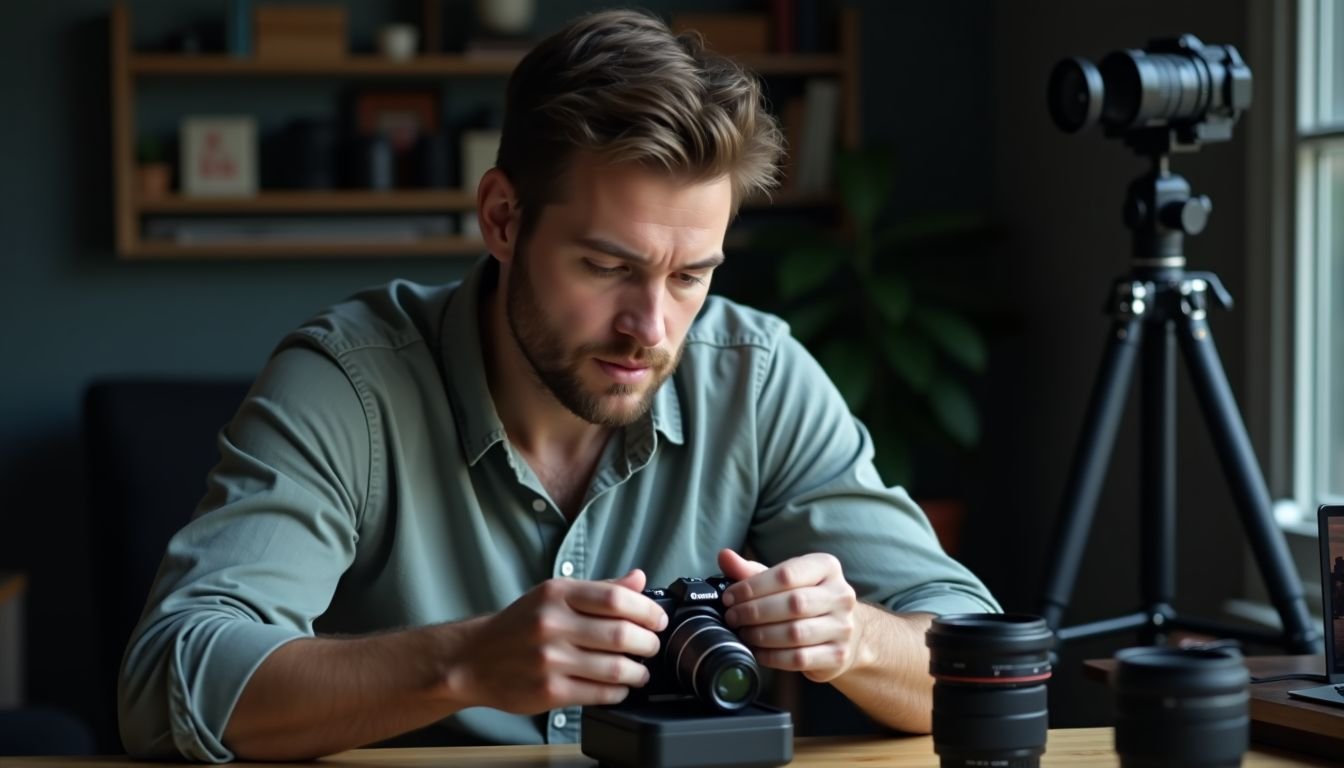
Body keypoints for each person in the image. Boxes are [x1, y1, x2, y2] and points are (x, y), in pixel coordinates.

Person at [118, 9, 999, 762]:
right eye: (607, 266)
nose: (651, 328)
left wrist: (853, 640)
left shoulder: (759, 378)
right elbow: (170, 677)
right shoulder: (347, 383)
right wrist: (462, 666)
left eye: (691, 276)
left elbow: (975, 666)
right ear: (503, 217)